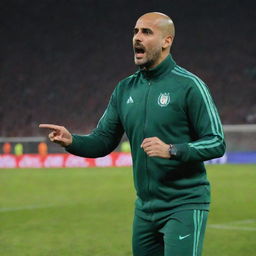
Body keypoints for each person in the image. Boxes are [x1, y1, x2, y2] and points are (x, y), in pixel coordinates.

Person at [40, 12, 225, 256]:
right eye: (136, 31)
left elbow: (216, 142)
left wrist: (172, 150)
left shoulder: (190, 86)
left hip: (184, 204)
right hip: (145, 210)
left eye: (147, 32)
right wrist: (72, 141)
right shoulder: (124, 89)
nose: (137, 38)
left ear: (166, 41)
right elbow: (103, 141)